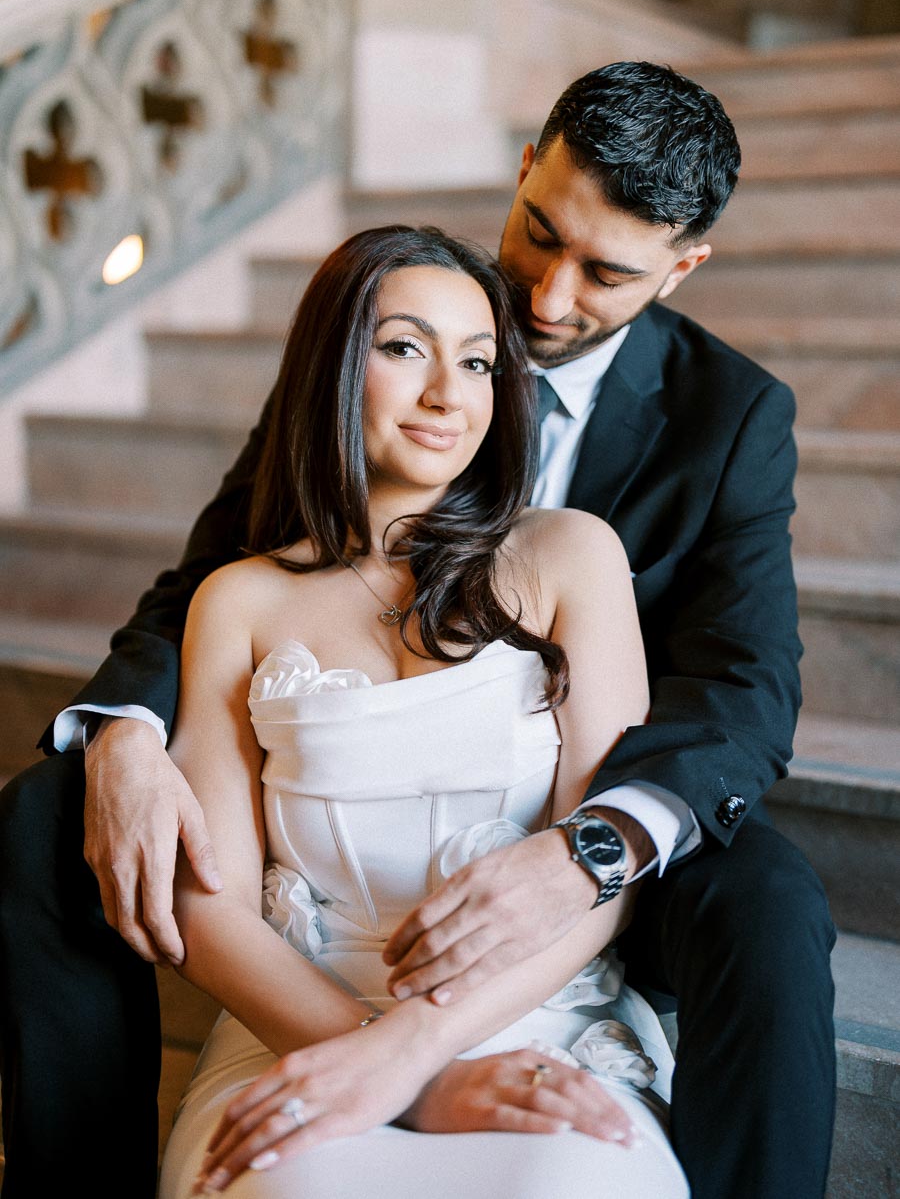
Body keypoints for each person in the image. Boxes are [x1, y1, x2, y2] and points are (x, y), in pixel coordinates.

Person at [0, 62, 836, 1199]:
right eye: (538, 232)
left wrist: (594, 845)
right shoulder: (391, 323)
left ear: (682, 267)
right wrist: (126, 737)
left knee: (774, 901)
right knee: (53, 810)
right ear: (523, 166)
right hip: (332, 825)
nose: (544, 296)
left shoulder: (728, 419)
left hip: (589, 791)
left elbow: (746, 685)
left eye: (604, 272)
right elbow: (212, 577)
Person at [155, 222, 688, 1197]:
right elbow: (208, 902)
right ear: (331, 363)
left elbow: (603, 872)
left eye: (479, 361)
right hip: (304, 1022)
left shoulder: (570, 557)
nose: (451, 393)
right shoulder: (238, 601)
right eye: (406, 348)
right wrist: (392, 1068)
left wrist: (423, 1051)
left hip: (537, 1018)